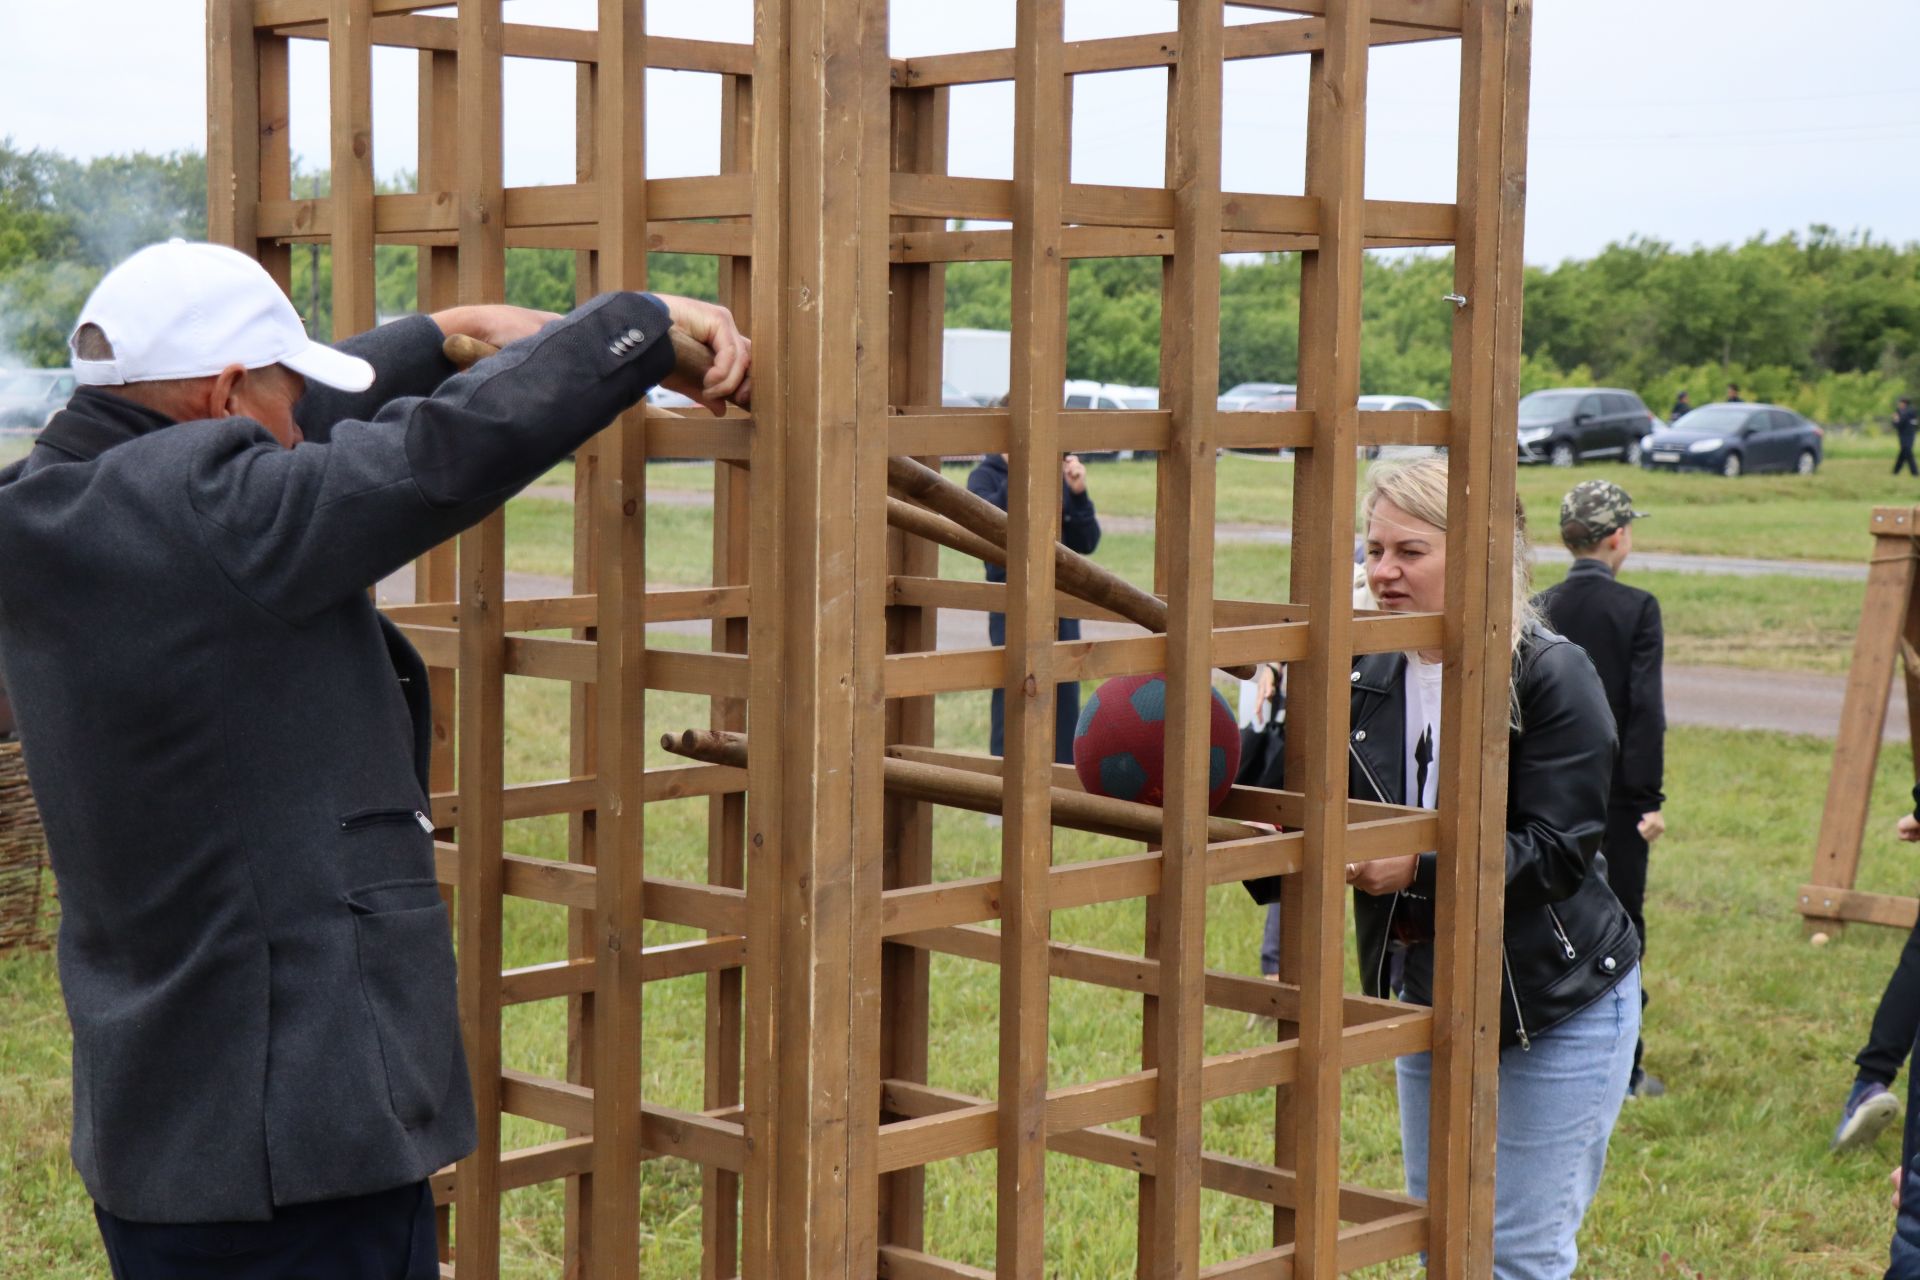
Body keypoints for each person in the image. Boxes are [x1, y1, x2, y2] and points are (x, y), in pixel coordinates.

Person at [0, 240, 749, 1278]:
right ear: (220, 394)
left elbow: (271, 426)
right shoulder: (201, 508)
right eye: (283, 398)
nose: (301, 427)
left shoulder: (48, 500)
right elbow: (432, 457)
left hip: (170, 1141)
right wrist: (630, 322)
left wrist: (438, 339)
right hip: (297, 1151)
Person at [1245, 456, 1640, 1280]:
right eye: (1372, 548)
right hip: (1428, 987)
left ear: (1483, 553)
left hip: (1555, 998)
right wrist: (1266, 728)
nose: (1382, 572)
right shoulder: (1363, 668)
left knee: (1517, 1257)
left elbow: (1562, 850)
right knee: (1440, 1241)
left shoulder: (1549, 670)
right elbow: (1290, 811)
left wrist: (1418, 868)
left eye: (1409, 552)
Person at [1535, 479, 1667, 1100]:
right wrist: (1646, 800)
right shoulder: (1637, 608)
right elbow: (1644, 711)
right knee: (1623, 916)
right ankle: (1627, 1063)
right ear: (1618, 537)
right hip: (1615, 796)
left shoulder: (1540, 605)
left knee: (1555, 908)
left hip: (1547, 793)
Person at [968, 451, 1101, 762]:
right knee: (1014, 689)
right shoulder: (984, 477)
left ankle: (1063, 779)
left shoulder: (1053, 477)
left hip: (1059, 602)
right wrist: (1023, 472)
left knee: (1064, 689)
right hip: (1012, 604)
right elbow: (989, 531)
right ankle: (1006, 780)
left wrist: (1078, 493)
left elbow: (1087, 542)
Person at [1894, 397, 1918, 478]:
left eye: (1900, 403)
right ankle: (1896, 471)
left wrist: (1898, 419)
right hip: (1902, 435)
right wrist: (1896, 420)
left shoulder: (1910, 411)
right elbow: (1896, 425)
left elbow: (1913, 422)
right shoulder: (1898, 412)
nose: (1899, 405)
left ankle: (1914, 472)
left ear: (1904, 403)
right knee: (1905, 452)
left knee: (1907, 451)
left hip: (1910, 435)